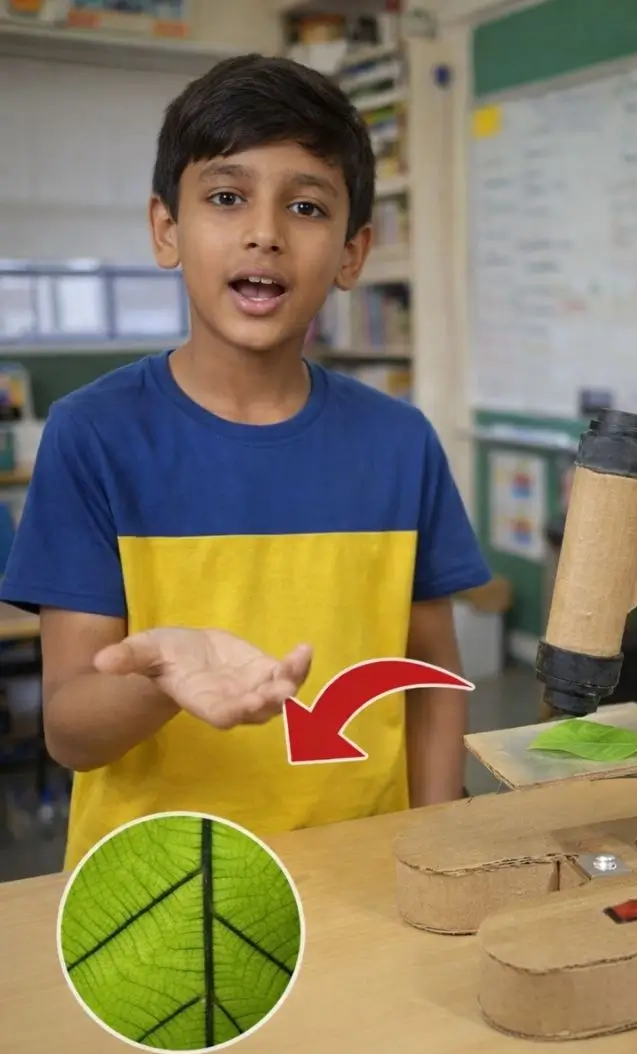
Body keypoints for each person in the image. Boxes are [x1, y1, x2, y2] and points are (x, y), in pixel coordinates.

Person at [0, 54, 492, 871]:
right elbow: (69, 728)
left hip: (364, 874)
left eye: (305, 206)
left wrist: (430, 846)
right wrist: (161, 680)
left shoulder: (400, 443)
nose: (264, 230)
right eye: (226, 197)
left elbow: (433, 677)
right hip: (160, 892)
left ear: (351, 252)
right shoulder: (94, 435)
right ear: (167, 228)